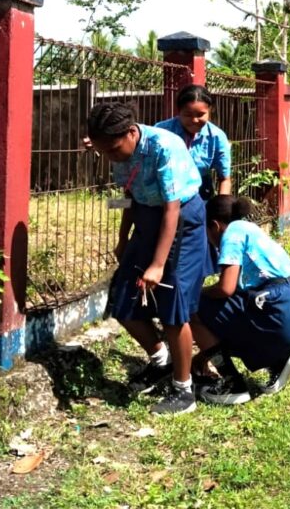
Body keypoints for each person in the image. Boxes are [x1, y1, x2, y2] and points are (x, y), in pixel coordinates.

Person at [87, 101, 207, 415]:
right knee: (122, 300)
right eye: (104, 153)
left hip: (181, 221)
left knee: (172, 306)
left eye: (113, 150)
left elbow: (172, 209)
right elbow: (127, 196)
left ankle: (183, 390)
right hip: (145, 216)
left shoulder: (164, 147)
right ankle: (161, 360)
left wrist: (157, 264)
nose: (110, 157)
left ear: (131, 132)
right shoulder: (116, 149)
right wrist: (123, 238)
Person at [190, 195, 290, 405]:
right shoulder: (250, 229)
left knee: (192, 309)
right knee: (224, 312)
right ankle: (279, 361)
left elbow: (225, 289)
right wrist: (205, 353)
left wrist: (196, 294)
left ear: (215, 226)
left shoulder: (232, 233)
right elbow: (233, 300)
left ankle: (232, 384)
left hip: (277, 309)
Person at [155, 85, 232, 201]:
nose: (194, 120)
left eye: (200, 114)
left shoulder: (217, 137)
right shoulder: (161, 131)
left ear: (210, 110)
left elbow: (225, 179)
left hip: (201, 193)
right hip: (164, 190)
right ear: (179, 111)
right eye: (188, 115)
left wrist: (221, 208)